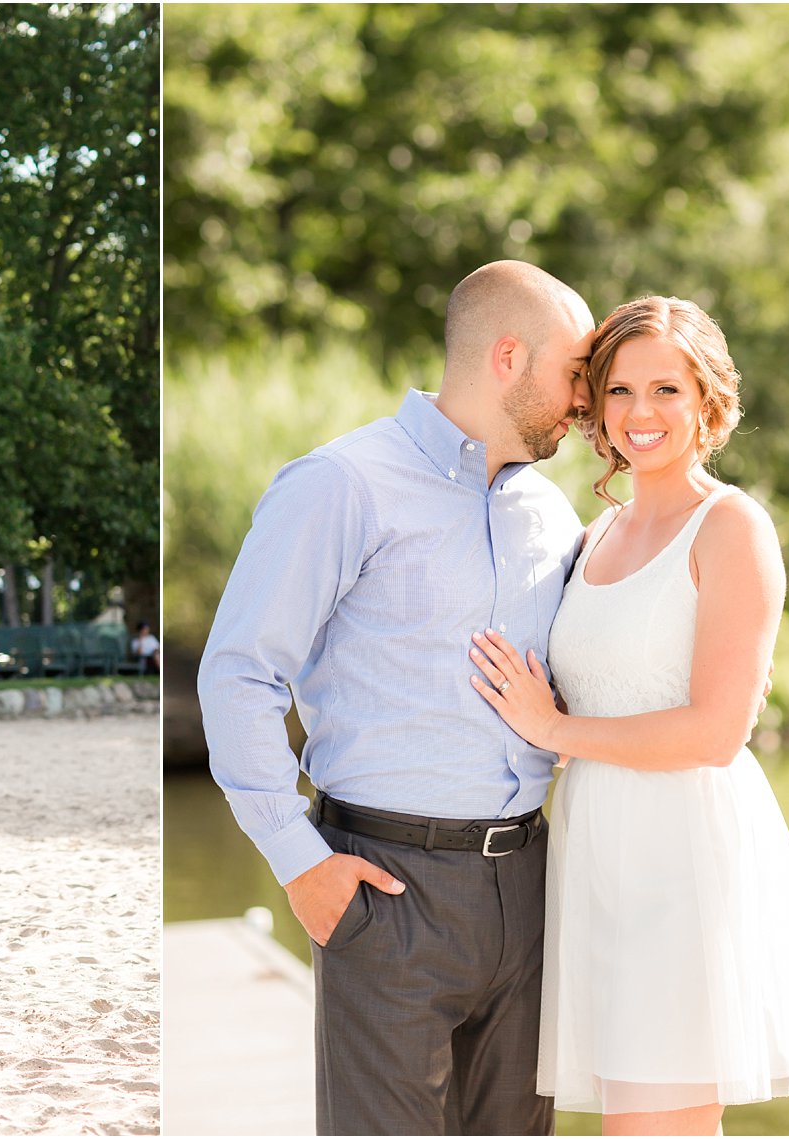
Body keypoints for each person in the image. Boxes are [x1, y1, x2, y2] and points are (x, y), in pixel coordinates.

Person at [199, 260, 595, 1135]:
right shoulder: (342, 483)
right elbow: (237, 673)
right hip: (385, 886)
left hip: (529, 885)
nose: (587, 398)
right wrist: (298, 862)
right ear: (506, 356)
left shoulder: (552, 514)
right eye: (575, 372)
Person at [468, 296, 789, 1135]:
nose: (641, 412)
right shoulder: (598, 532)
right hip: (597, 852)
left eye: (667, 389)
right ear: (595, 404)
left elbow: (716, 732)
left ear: (707, 401)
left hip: (682, 855)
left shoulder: (733, 527)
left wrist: (554, 730)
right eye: (621, 389)